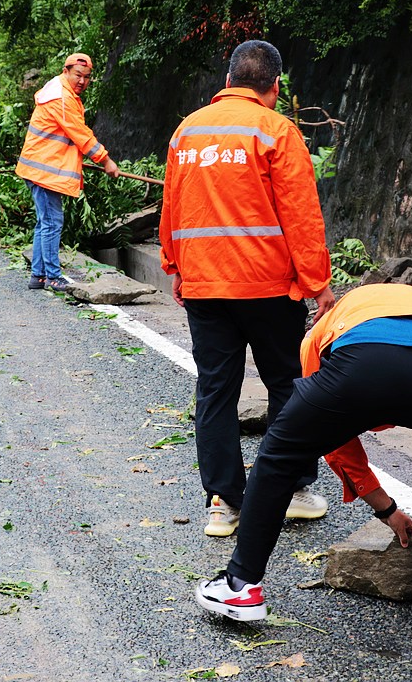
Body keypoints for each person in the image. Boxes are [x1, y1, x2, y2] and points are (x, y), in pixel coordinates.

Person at [194, 283, 412, 639]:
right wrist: (390, 509)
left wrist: (383, 507)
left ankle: (240, 587)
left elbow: (330, 440)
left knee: (279, 457)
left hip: (361, 364)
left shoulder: (322, 330)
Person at [158, 39, 336, 539]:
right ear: (274, 86)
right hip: (269, 287)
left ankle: (224, 503)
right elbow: (301, 215)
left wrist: (175, 265)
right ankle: (293, 491)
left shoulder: (187, 131)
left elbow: (172, 207)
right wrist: (318, 284)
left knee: (216, 391)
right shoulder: (276, 131)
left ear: (228, 79)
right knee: (287, 385)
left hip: (205, 286)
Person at [16, 52, 119, 292]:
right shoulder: (61, 97)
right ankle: (53, 277)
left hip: (41, 168)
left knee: (45, 223)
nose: (82, 81)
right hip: (44, 171)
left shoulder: (61, 91)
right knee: (52, 223)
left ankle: (38, 275)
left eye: (87, 77)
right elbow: (81, 134)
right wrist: (105, 160)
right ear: (66, 72)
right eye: (78, 75)